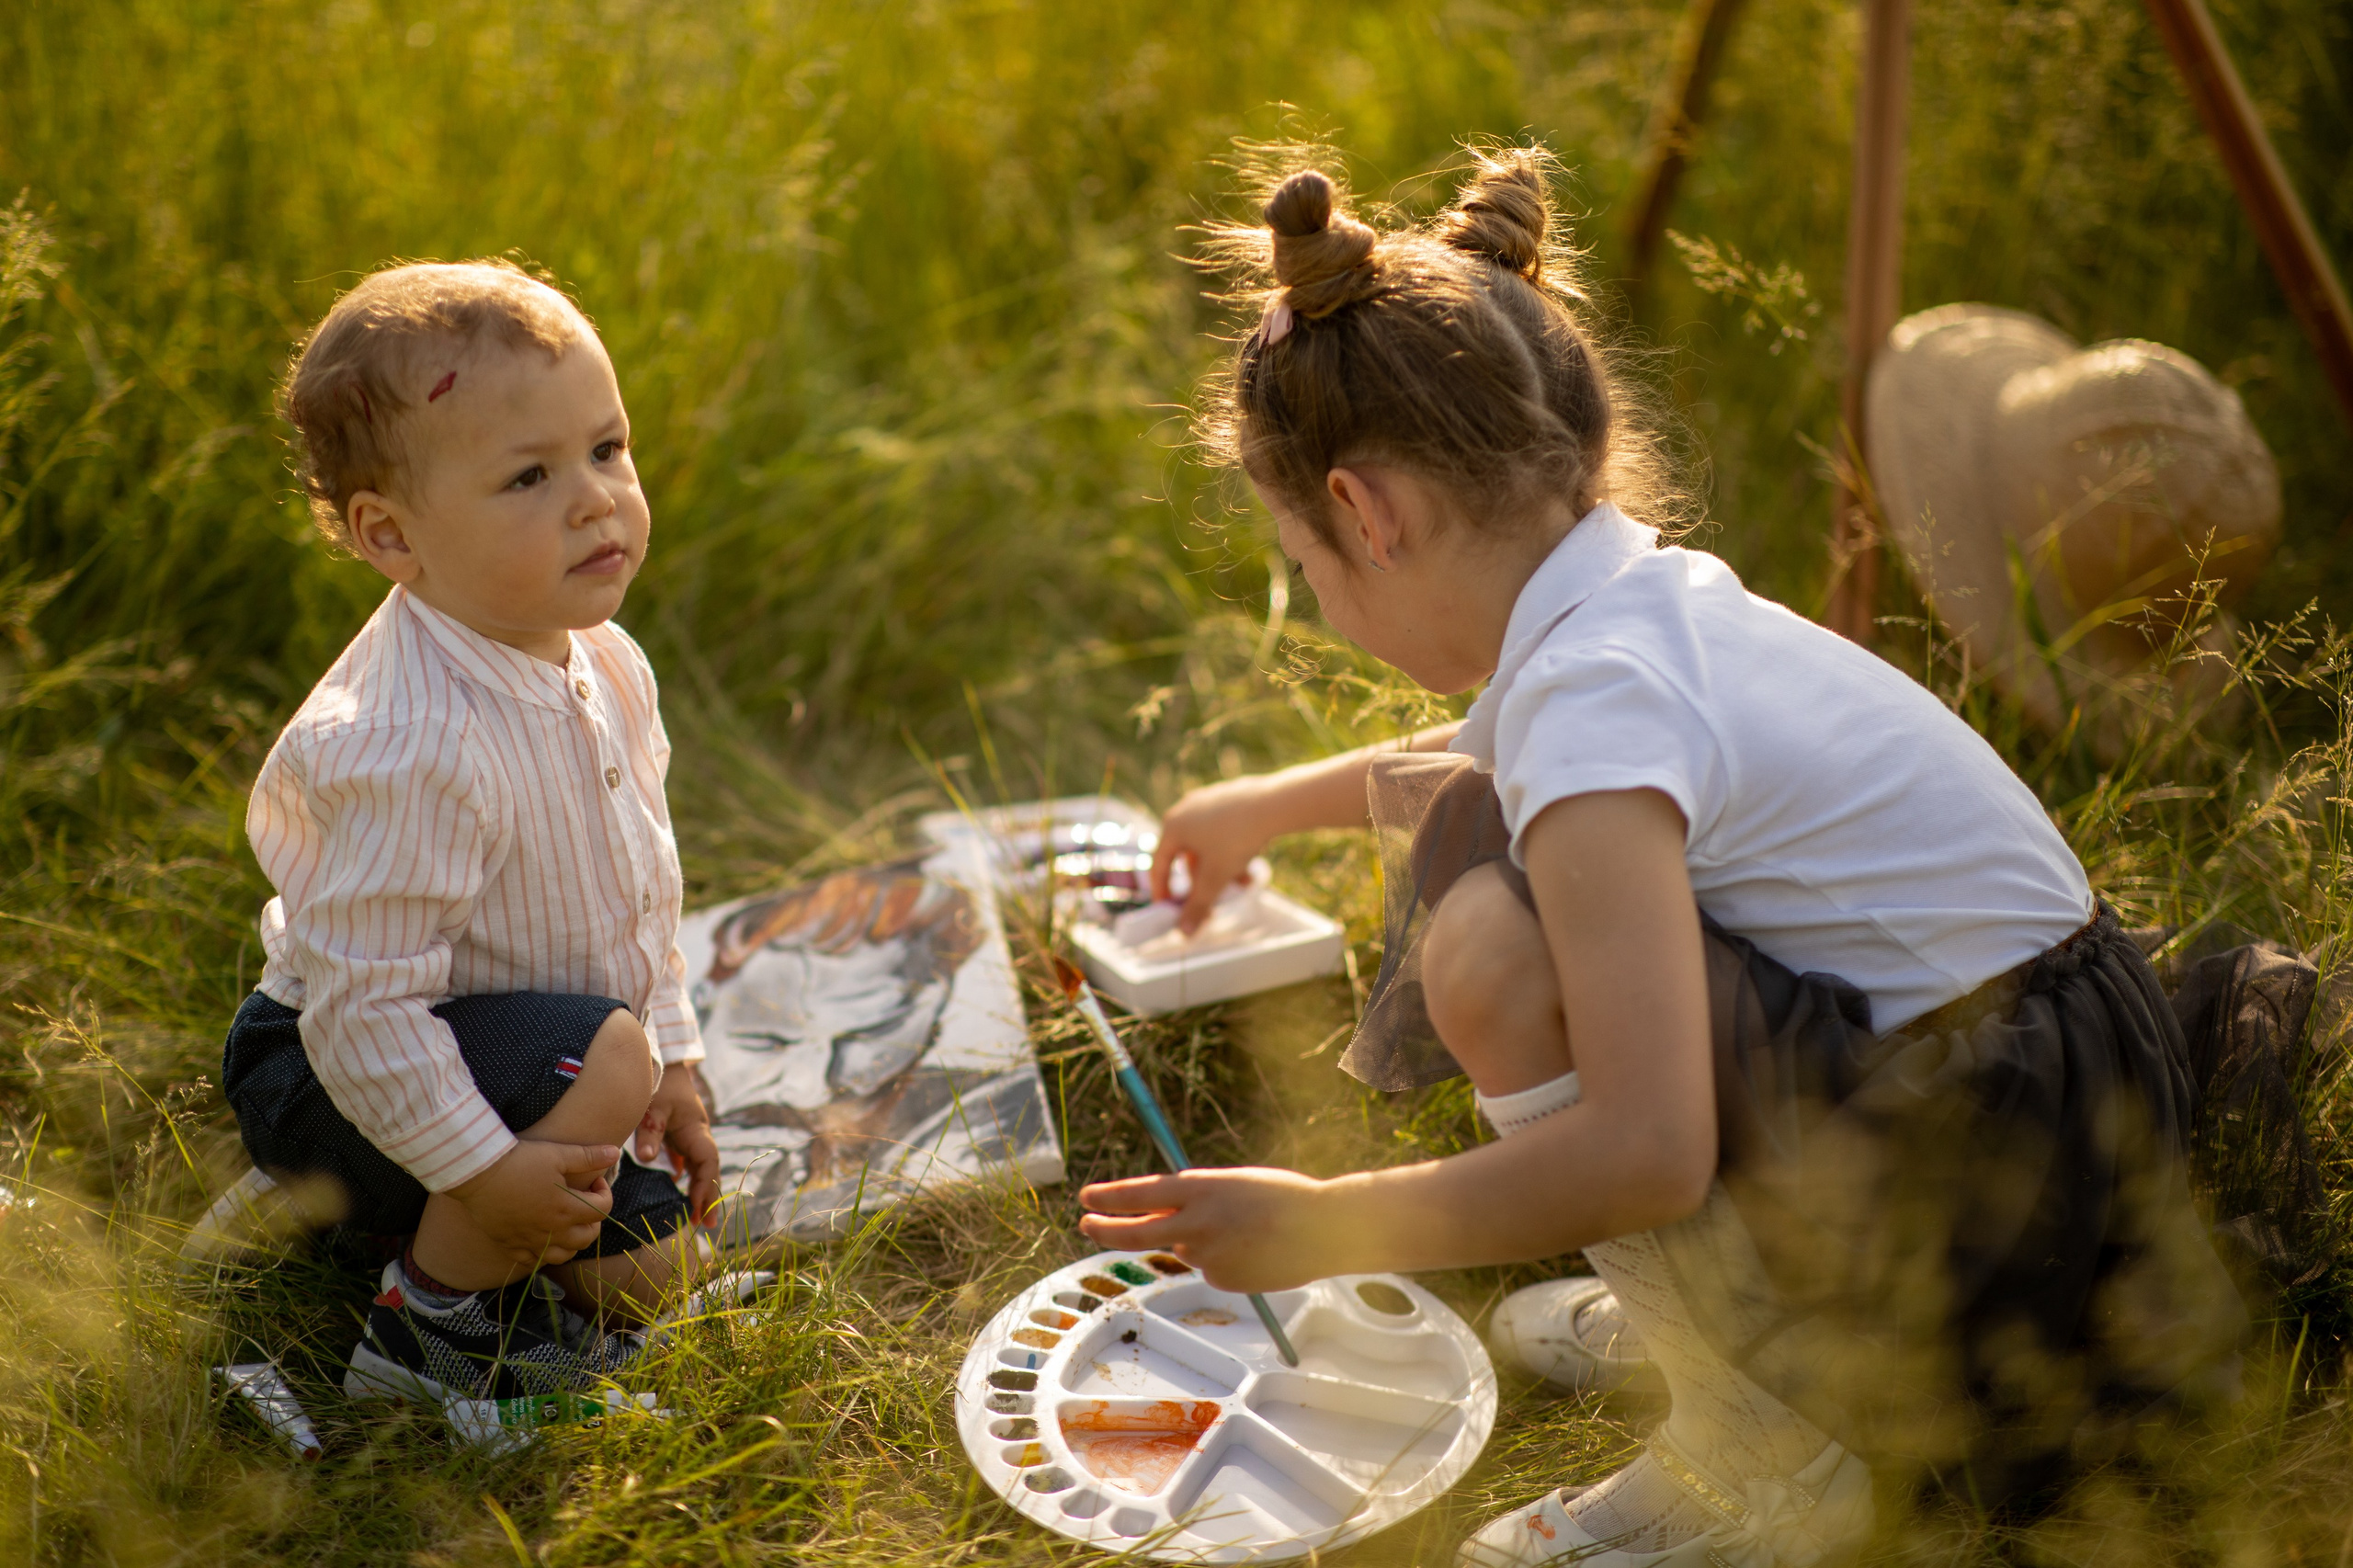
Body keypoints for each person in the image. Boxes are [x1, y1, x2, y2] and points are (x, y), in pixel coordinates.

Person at [1078, 150, 2243, 1565]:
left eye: (1308, 566)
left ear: (1369, 515)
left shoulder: (1597, 696)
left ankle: (1762, 1452)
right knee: (1482, 842)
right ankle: (1725, 1311)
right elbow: (1483, 763)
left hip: (1999, 1180)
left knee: (1493, 952)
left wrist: (1328, 1224)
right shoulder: (1632, 607)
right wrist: (1264, 804)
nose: (1323, 601)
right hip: (2059, 1069)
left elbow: (1645, 1145)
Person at [221, 260, 722, 1406]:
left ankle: (473, 1241)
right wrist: (484, 1174)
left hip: (520, 1050)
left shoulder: (601, 656)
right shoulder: (411, 743)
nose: (596, 498)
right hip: (336, 1075)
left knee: (665, 1284)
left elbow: (640, 881)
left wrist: (676, 1062)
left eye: (607, 448)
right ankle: (425, 1331)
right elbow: (363, 1007)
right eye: (529, 476)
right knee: (602, 1059)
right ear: (393, 537)